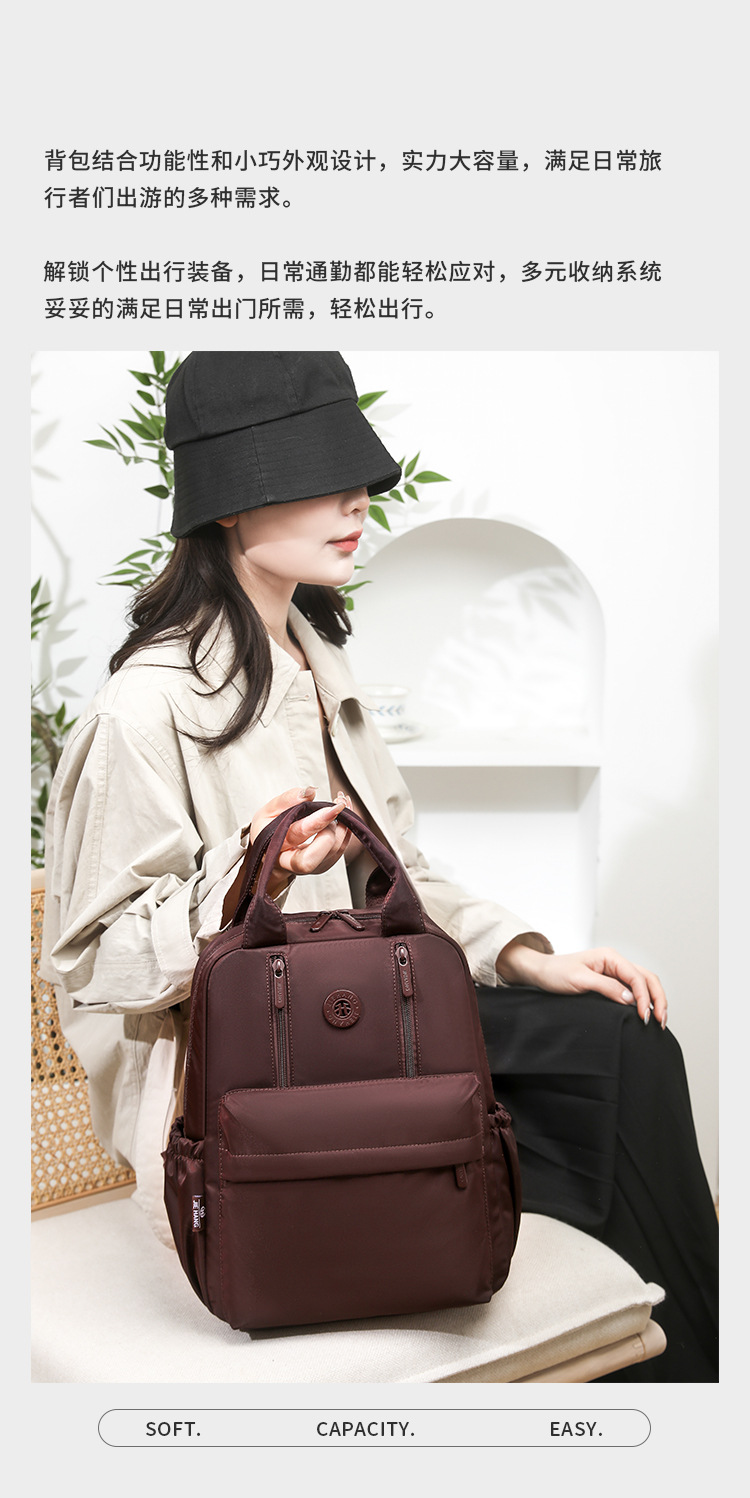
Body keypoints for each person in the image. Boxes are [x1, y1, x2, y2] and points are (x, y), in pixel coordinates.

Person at [41, 351, 718, 1381]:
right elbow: (92, 961)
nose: (358, 499)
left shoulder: (321, 665)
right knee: (600, 1107)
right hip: (256, 1071)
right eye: (321, 475)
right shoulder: (148, 705)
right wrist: (250, 871)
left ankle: (687, 1397)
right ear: (231, 500)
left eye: (357, 473)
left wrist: (526, 956)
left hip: (360, 1019)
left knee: (624, 1041)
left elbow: (399, 877)